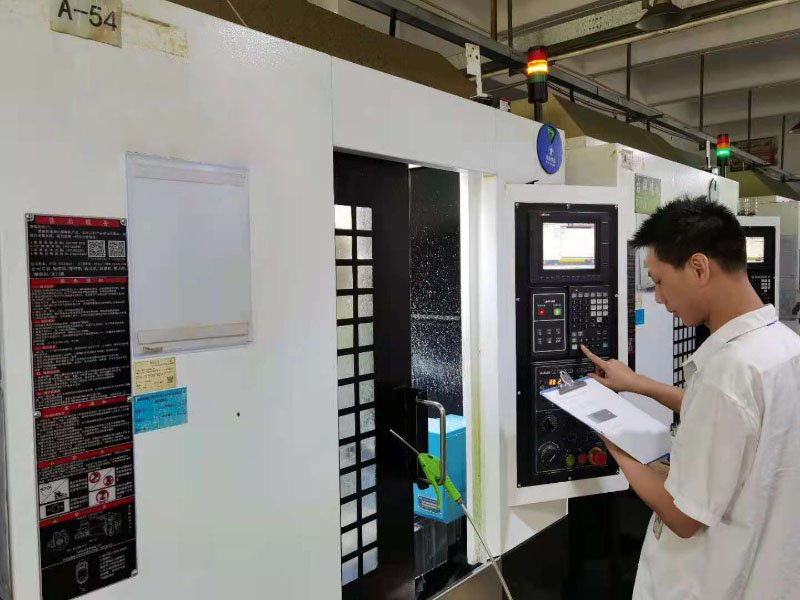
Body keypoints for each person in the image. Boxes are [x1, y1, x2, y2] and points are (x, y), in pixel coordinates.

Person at [581, 197, 800, 600]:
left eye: (660, 281)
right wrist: (639, 384)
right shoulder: (783, 345)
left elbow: (683, 517)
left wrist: (613, 440)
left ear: (699, 268)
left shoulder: (728, 372)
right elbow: (736, 419)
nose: (659, 298)